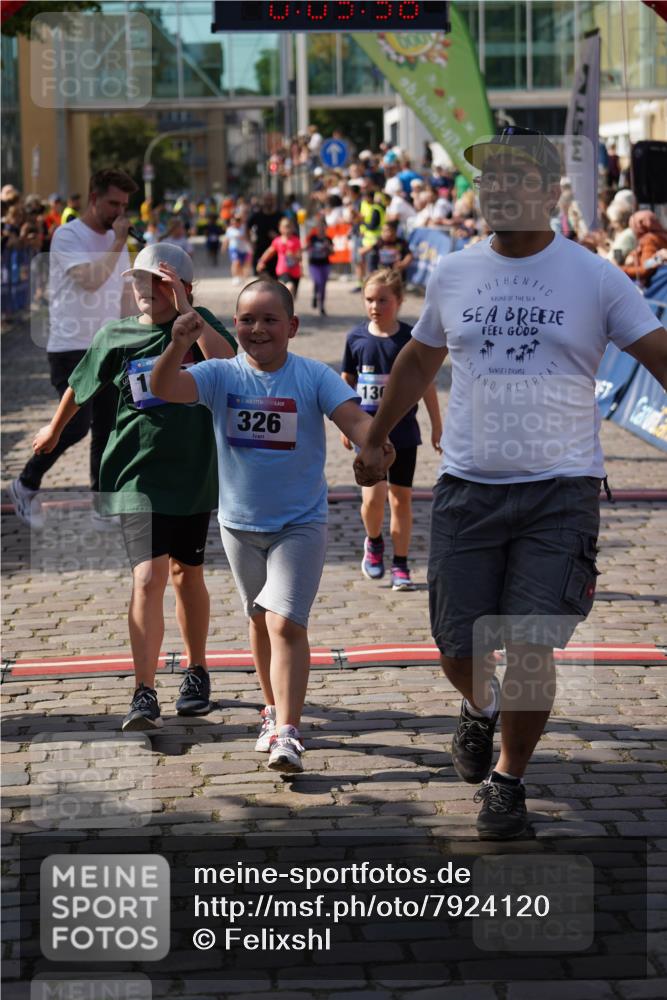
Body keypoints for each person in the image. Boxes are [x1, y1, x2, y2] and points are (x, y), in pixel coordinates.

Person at [354, 126, 667, 840]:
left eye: (515, 178)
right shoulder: (456, 272)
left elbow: (656, 352)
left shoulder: (593, 276)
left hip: (559, 491)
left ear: (549, 191)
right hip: (467, 486)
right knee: (455, 644)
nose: (497, 190)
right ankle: (478, 707)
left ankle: (507, 780)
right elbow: (416, 360)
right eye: (487, 179)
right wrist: (375, 436)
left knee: (529, 644)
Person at [151, 277, 392, 773]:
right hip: (238, 524)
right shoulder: (220, 374)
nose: (257, 328)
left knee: (284, 621)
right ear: (234, 325)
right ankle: (271, 710)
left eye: (269, 319)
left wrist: (375, 442)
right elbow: (162, 387)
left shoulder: (312, 376)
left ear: (292, 326)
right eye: (246, 319)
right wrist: (178, 342)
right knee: (260, 619)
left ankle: (288, 730)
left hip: (300, 523)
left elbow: (355, 420)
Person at [31, 242, 237, 731]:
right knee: (148, 578)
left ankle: (196, 670)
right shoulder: (116, 334)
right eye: (140, 281)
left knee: (188, 573)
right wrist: (55, 430)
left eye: (160, 282)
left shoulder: (200, 323)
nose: (147, 290)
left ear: (185, 288)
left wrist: (190, 319)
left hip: (191, 473)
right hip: (134, 475)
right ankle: (144, 691)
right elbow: (79, 386)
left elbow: (229, 364)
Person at [9, 168, 138, 530]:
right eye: (113, 202)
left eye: (124, 205)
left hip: (110, 346)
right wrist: (117, 242)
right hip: (71, 346)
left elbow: (124, 294)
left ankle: (102, 507)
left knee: (108, 428)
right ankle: (25, 484)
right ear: (94, 198)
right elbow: (91, 281)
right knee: (76, 424)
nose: (119, 211)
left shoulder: (118, 241)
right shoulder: (69, 235)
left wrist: (136, 338)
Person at [341, 268, 442, 591]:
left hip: (404, 434)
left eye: (383, 300)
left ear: (398, 301)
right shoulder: (356, 338)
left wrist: (437, 426)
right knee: (373, 499)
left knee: (401, 500)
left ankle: (401, 564)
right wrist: (346, 421)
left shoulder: (410, 340)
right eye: (369, 299)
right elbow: (347, 381)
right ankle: (374, 542)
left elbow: (426, 385)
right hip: (367, 436)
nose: (375, 306)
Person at [257, 216, 302, 300]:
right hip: (283, 270)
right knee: (288, 287)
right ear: (280, 228)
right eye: (285, 227)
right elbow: (269, 252)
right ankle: (284, 310)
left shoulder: (296, 241)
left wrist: (293, 255)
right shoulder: (278, 241)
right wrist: (261, 262)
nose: (287, 229)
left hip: (295, 272)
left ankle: (288, 309)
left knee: (292, 296)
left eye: (289, 226)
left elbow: (300, 257)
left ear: (293, 228)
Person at [621, 211, 667, 287]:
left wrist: (620, 269)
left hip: (653, 288)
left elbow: (645, 268)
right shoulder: (662, 234)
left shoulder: (649, 239)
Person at [248, 193, 284, 277]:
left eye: (271, 200)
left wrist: (278, 237)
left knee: (275, 281)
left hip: (276, 254)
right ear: (262, 201)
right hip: (260, 251)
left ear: (274, 201)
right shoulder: (257, 216)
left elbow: (289, 231)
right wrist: (250, 242)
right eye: (266, 200)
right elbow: (247, 227)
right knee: (263, 279)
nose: (268, 202)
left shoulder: (280, 216)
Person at [306, 215, 334, 315]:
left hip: (325, 264)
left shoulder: (328, 239)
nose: (321, 229)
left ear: (326, 228)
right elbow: (306, 248)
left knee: (323, 284)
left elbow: (332, 252)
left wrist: (328, 247)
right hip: (314, 264)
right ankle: (315, 295)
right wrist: (310, 248)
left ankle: (321, 305)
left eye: (323, 227)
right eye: (319, 227)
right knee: (318, 281)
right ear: (316, 228)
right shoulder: (313, 238)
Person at [222, 214, 251, 286]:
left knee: (242, 265)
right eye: (233, 221)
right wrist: (224, 247)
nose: (235, 223)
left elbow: (248, 237)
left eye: (237, 221)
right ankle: (235, 277)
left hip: (243, 249)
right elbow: (226, 239)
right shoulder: (230, 229)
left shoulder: (244, 228)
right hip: (233, 248)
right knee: (236, 262)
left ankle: (240, 277)